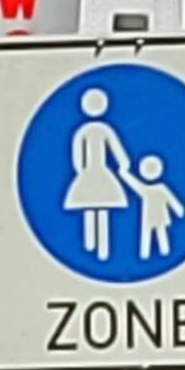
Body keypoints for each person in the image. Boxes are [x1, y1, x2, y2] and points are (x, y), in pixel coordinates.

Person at [64, 87, 132, 262]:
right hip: (98, 172)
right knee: (99, 207)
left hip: (91, 173)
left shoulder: (85, 131)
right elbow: (117, 151)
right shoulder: (99, 130)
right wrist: (123, 164)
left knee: (95, 207)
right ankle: (96, 247)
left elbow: (77, 156)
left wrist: (81, 171)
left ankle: (95, 246)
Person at [133, 154, 184, 261]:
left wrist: (178, 210)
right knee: (149, 234)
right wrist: (124, 175)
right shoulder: (151, 189)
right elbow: (135, 184)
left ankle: (159, 252)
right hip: (151, 217)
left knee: (158, 234)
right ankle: (145, 254)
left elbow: (172, 200)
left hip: (156, 216)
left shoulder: (157, 189)